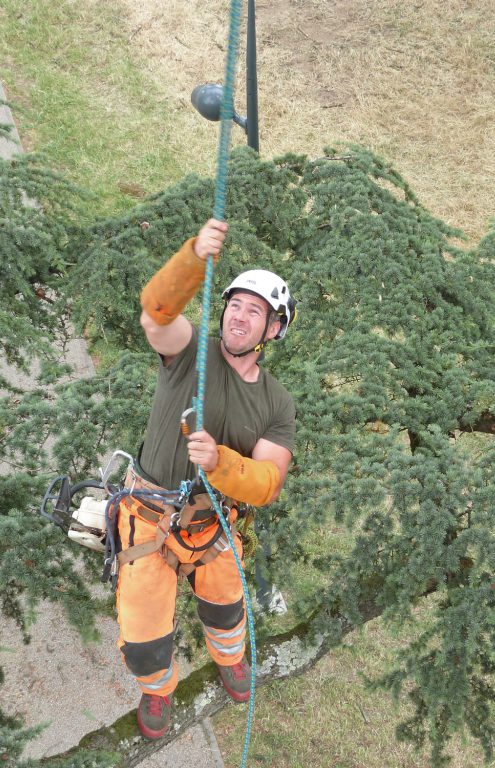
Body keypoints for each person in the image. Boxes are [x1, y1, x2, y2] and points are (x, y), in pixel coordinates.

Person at [115, 219, 296, 739]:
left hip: (212, 524)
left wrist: (220, 463)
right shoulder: (190, 353)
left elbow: (267, 483)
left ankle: (231, 658)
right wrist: (194, 254)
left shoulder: (276, 402)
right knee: (144, 629)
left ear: (274, 330)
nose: (240, 316)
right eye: (235, 304)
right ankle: (156, 688)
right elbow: (156, 313)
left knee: (226, 602)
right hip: (148, 517)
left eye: (255, 311)